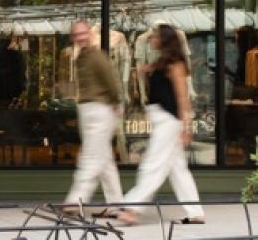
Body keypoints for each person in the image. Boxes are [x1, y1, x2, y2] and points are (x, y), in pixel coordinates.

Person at [118, 24, 206, 224]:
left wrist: (186, 128)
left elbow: (183, 99)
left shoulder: (176, 64)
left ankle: (132, 207)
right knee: (178, 170)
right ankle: (195, 212)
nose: (152, 40)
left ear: (165, 40)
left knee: (153, 165)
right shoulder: (162, 62)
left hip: (169, 122)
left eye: (156, 37)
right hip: (162, 120)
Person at [58, 19, 126, 217]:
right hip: (88, 110)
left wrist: (116, 104)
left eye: (83, 33)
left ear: (89, 34)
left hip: (101, 110)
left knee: (90, 157)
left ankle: (75, 201)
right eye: (77, 35)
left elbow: (111, 81)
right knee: (104, 161)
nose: (80, 37)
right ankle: (116, 205)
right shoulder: (80, 57)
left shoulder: (97, 56)